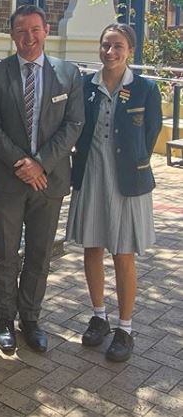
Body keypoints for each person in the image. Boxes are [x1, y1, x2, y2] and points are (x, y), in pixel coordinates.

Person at [0, 4, 84, 354]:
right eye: (21, 30)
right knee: (7, 253)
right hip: (9, 180)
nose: (29, 37)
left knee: (40, 254)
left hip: (50, 180)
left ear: (46, 30)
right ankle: (5, 320)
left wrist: (41, 164)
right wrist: (24, 164)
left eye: (35, 29)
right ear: (12, 35)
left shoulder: (69, 74)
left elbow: (74, 124)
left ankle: (31, 319)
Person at [66, 23, 162, 362]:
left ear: (130, 50)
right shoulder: (85, 86)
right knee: (92, 246)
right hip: (90, 173)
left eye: (117, 45)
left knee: (123, 253)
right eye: (106, 44)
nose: (110, 52)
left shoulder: (146, 89)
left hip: (126, 180)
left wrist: (133, 162)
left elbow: (151, 132)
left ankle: (125, 328)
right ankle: (99, 316)